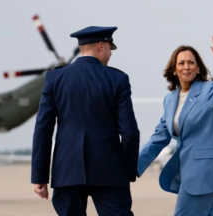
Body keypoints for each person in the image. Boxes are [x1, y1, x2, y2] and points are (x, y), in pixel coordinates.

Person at [31, 26, 140, 215]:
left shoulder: (55, 78)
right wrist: (127, 171)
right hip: (110, 173)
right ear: (101, 46)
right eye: (109, 49)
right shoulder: (118, 79)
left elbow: (43, 129)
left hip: (67, 172)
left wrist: (39, 176)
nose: (110, 54)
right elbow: (130, 133)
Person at [136, 34, 213, 216]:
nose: (186, 67)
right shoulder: (170, 99)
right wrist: (134, 166)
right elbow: (160, 137)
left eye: (191, 62)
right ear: (174, 69)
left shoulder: (209, 90)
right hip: (186, 170)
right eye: (181, 63)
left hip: (204, 170)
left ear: (198, 68)